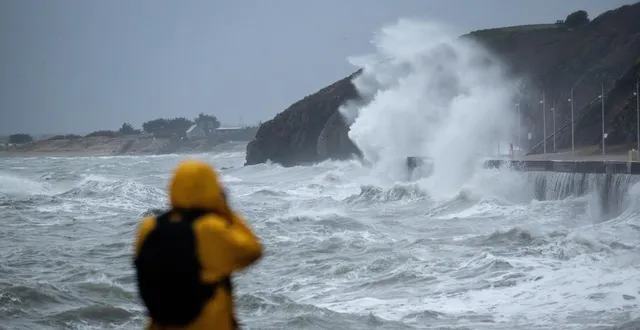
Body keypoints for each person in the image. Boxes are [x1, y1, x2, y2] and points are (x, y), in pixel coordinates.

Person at [133, 159, 263, 330]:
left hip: (160, 324)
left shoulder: (149, 227)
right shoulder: (209, 227)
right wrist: (225, 210)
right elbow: (252, 251)